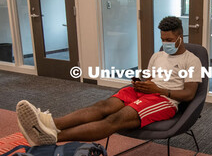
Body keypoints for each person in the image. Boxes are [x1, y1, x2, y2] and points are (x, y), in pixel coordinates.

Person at [16, 16, 202, 146]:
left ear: (180, 37)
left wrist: (160, 90)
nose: (165, 43)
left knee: (115, 119)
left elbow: (189, 94)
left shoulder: (191, 60)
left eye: (169, 39)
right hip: (146, 92)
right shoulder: (157, 55)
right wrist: (141, 84)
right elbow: (150, 79)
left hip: (165, 100)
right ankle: (50, 124)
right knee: (102, 106)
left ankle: (53, 137)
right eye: (162, 39)